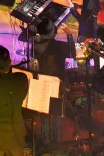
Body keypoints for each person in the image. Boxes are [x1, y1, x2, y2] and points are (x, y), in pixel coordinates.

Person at [31, 18, 74, 146]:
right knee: (56, 114)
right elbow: (72, 52)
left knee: (45, 115)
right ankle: (56, 142)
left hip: (43, 83)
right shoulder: (60, 46)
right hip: (57, 84)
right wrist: (69, 35)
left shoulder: (36, 46)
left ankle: (45, 142)